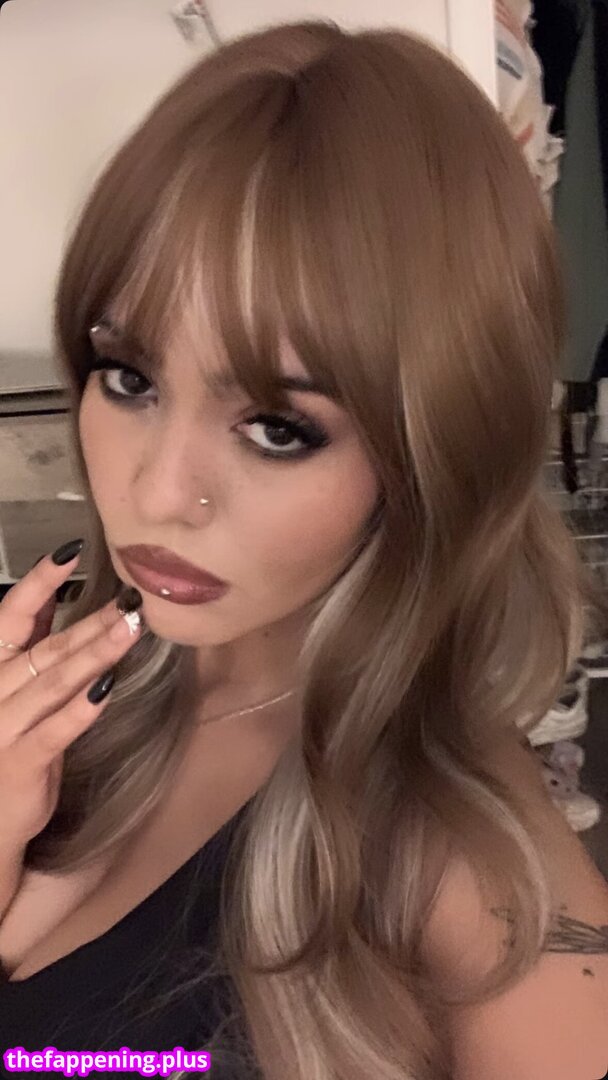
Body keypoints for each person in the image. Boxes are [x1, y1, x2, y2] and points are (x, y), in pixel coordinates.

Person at [0, 19, 607, 1080]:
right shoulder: (54, 703)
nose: (157, 494)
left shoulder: (469, 879)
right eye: (130, 378)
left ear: (428, 454)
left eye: (278, 428)